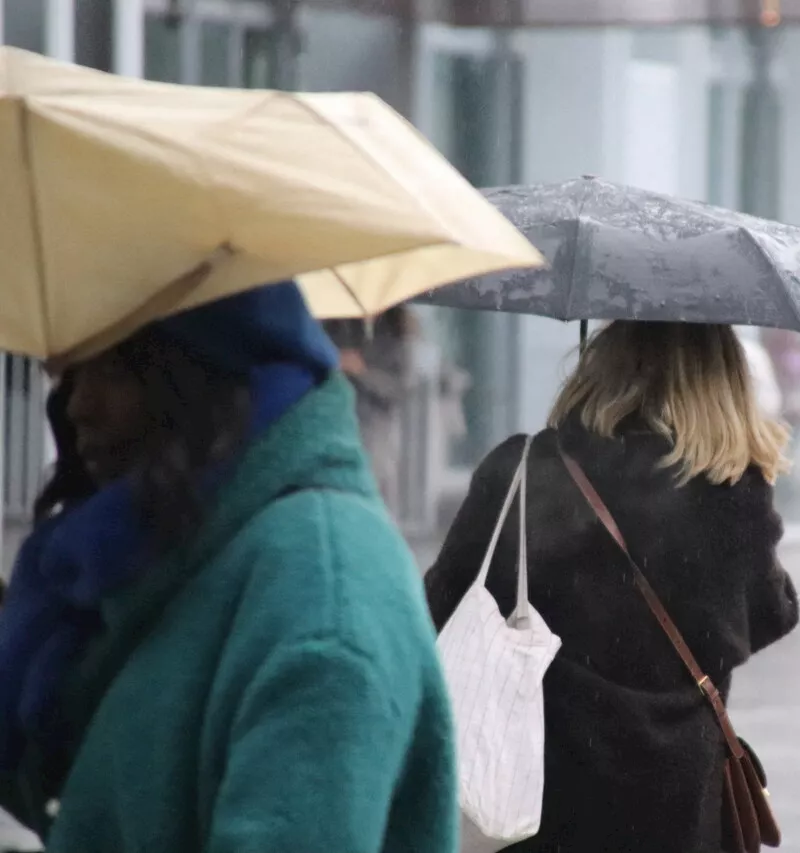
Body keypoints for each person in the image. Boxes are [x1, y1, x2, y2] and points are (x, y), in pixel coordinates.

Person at [0, 283, 457, 853]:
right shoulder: (181, 554)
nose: (77, 406)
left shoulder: (321, 595)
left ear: (203, 381)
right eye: (72, 375)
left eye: (114, 372)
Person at [425, 321, 799, 853]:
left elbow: (442, 604)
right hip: (678, 799)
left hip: (543, 784)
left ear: (601, 365)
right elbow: (767, 614)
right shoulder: (732, 489)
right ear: (723, 378)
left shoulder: (526, 470)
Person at [324, 305, 417, 516]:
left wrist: (362, 371)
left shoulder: (397, 331)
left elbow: (400, 387)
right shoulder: (337, 323)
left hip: (376, 433)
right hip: (338, 424)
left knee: (372, 496)